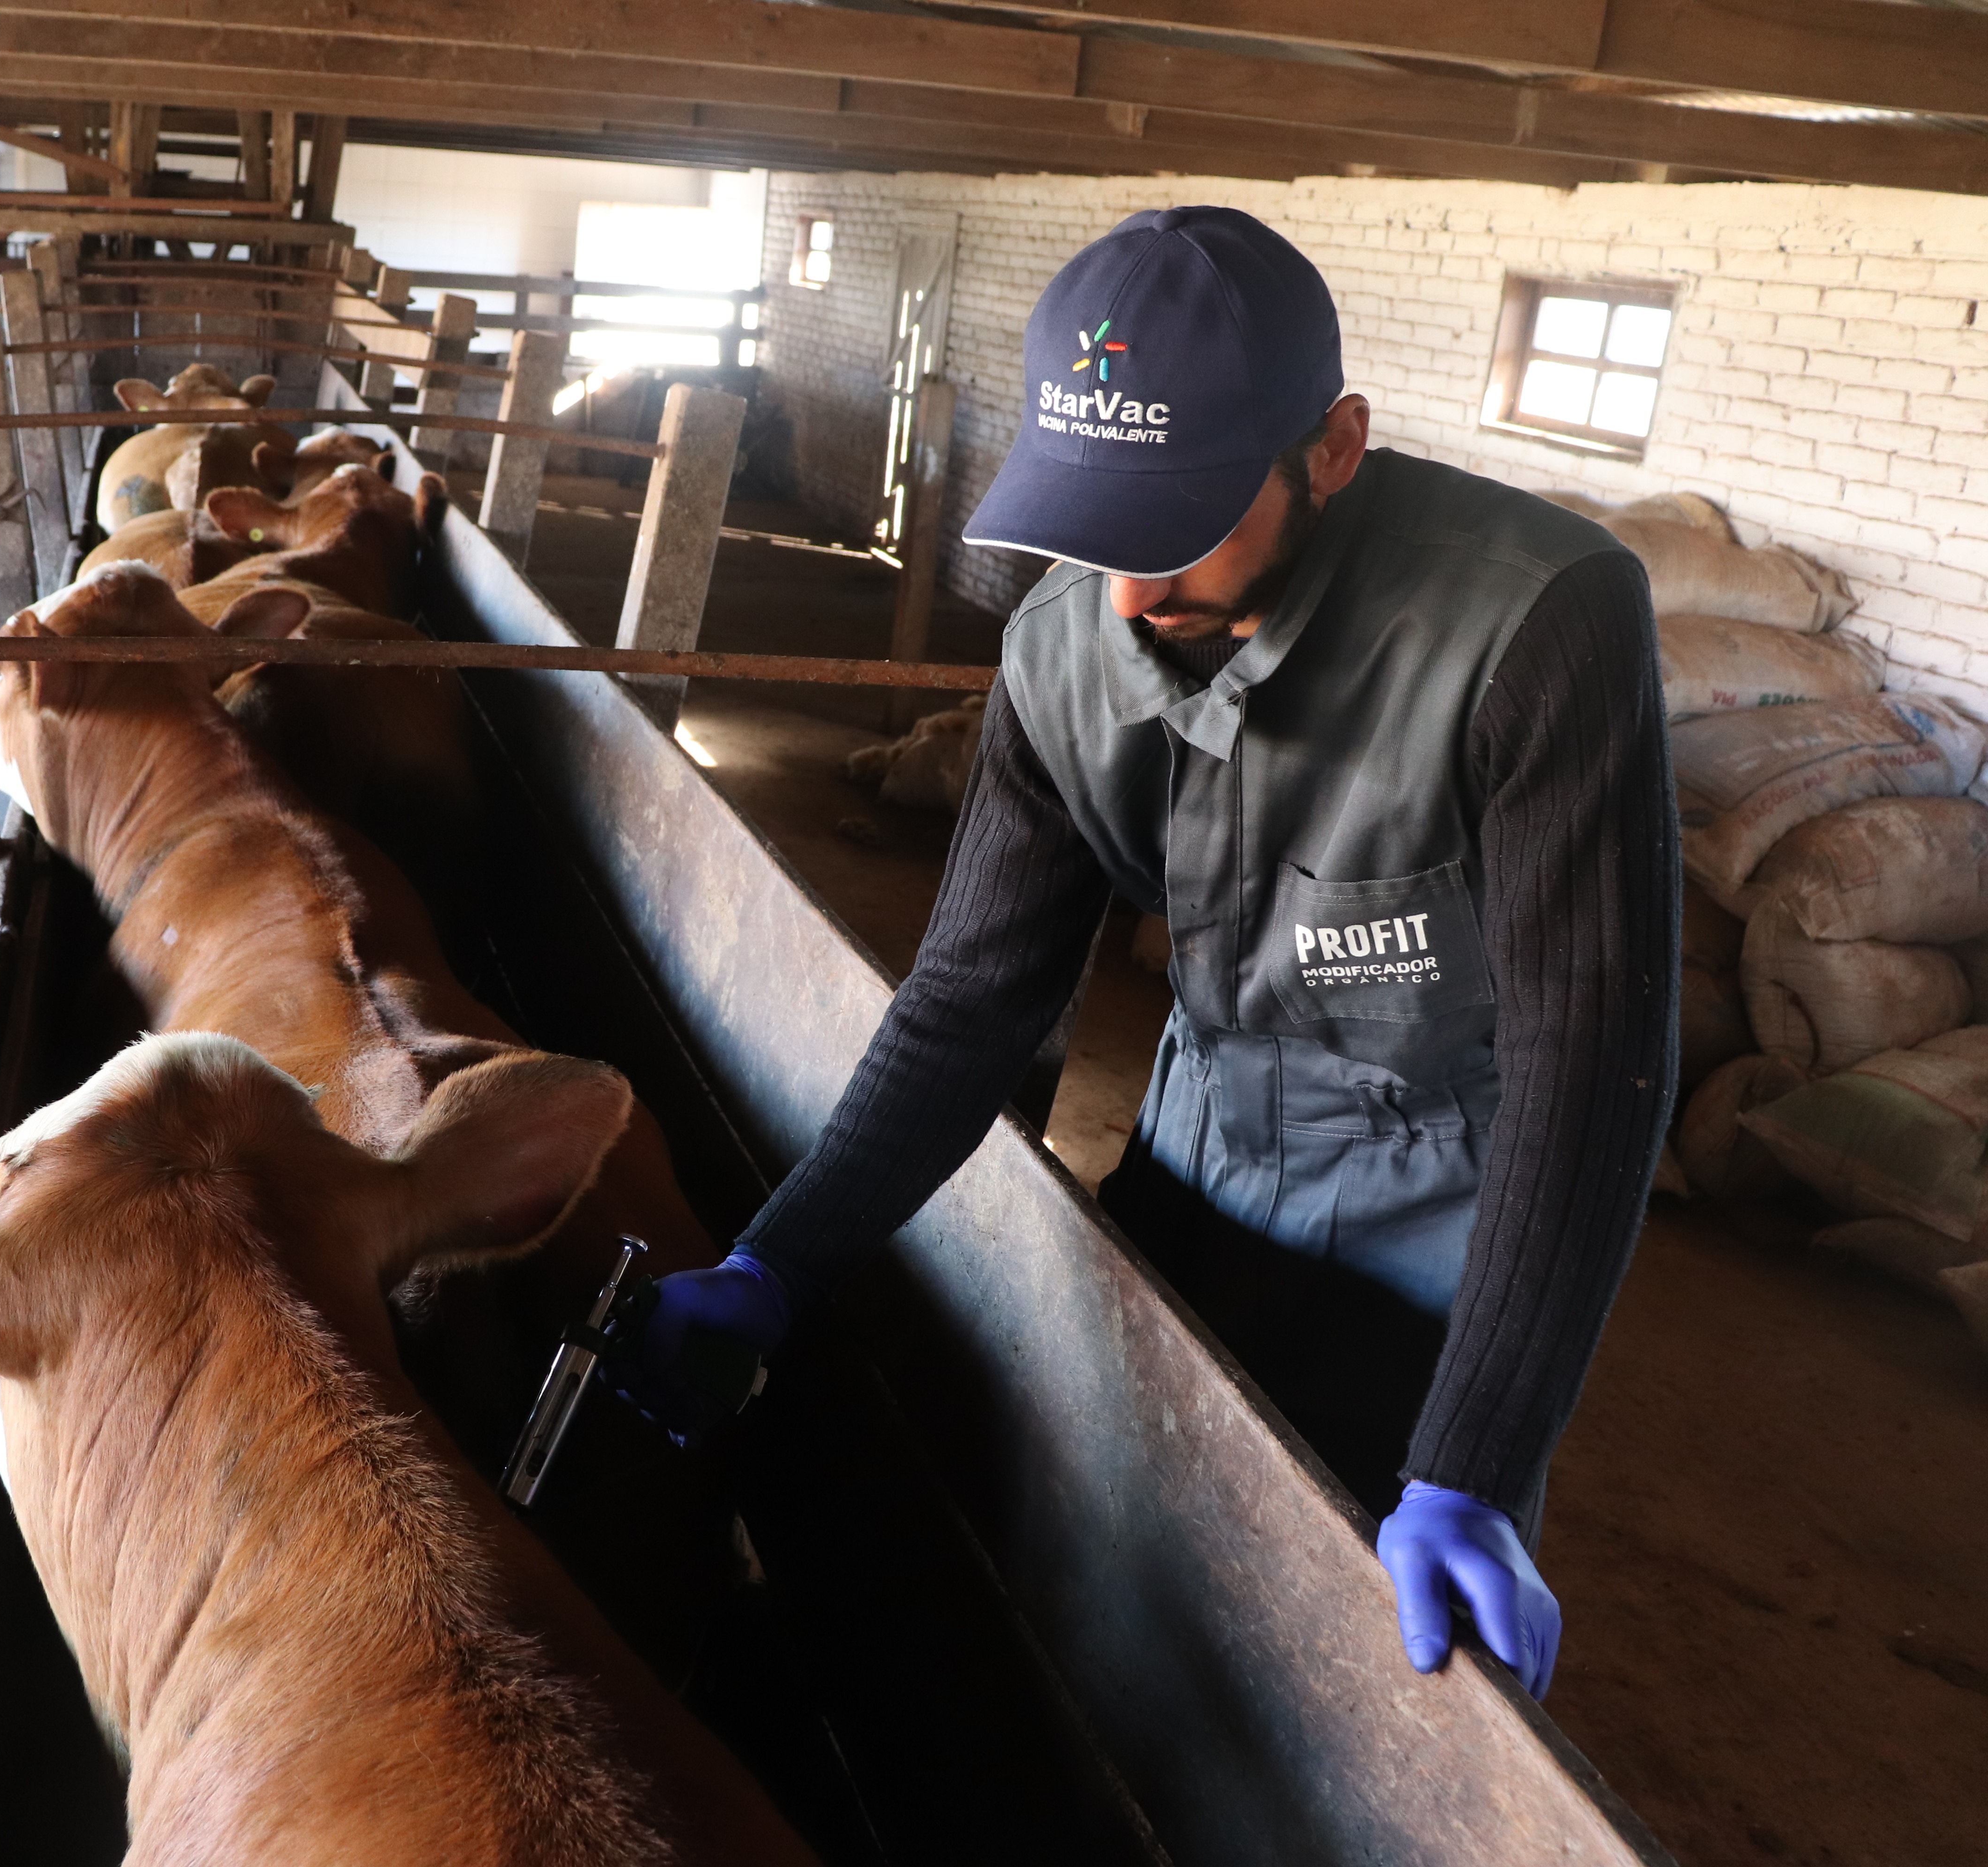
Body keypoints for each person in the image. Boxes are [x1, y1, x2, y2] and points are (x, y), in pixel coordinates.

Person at [615, 206, 1677, 1702]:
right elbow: (972, 999)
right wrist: (774, 1259)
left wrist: (1476, 1459)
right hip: (1196, 1150)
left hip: (1438, 1218)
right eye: (1092, 523)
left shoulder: (1534, 627)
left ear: (1331, 448)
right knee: (1112, 1628)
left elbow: (1593, 1063)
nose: (1127, 593)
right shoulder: (1061, 654)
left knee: (1368, 1696)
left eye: (1175, 519)